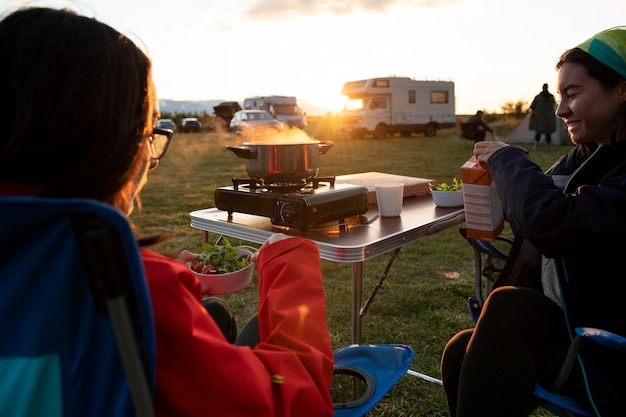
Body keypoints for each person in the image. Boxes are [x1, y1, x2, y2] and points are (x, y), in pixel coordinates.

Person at [0, 7, 335, 417]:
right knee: (252, 328)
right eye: (148, 136)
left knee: (212, 312)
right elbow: (294, 404)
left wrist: (179, 284)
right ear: (108, 145)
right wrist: (291, 264)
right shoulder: (133, 294)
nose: (149, 161)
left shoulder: (131, 286)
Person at [441, 26, 626, 417]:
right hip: (576, 319)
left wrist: (509, 159)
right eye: (560, 97)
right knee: (461, 349)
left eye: (573, 95)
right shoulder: (593, 153)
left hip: (610, 343)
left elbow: (550, 223)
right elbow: (535, 205)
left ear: (621, 90)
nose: (560, 111)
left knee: (508, 307)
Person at [529, 83, 557, 150]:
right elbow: (554, 105)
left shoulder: (538, 97)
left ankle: (536, 146)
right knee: (548, 132)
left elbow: (532, 106)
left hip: (539, 117)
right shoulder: (551, 97)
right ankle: (549, 147)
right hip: (548, 118)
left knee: (538, 131)